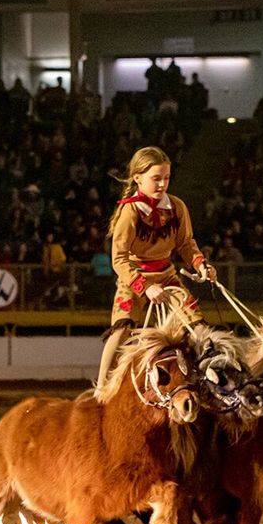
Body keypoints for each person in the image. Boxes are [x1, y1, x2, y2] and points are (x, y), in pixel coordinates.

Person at [98, 145, 216, 385]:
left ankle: (207, 380)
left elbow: (186, 244)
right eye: (156, 179)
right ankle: (101, 386)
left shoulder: (177, 207)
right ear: (137, 178)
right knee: (121, 330)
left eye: (166, 178)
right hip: (134, 279)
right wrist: (144, 286)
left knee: (197, 326)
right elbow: (119, 260)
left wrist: (201, 264)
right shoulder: (129, 212)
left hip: (167, 277)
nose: (162, 184)